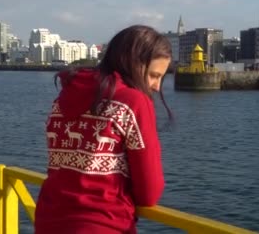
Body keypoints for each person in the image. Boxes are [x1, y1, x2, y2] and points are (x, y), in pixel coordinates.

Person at [34, 25, 172, 234]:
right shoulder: (133, 102)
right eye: (154, 75)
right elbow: (149, 192)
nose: (157, 86)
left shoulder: (62, 99)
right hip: (103, 224)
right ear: (133, 64)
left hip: (48, 221)